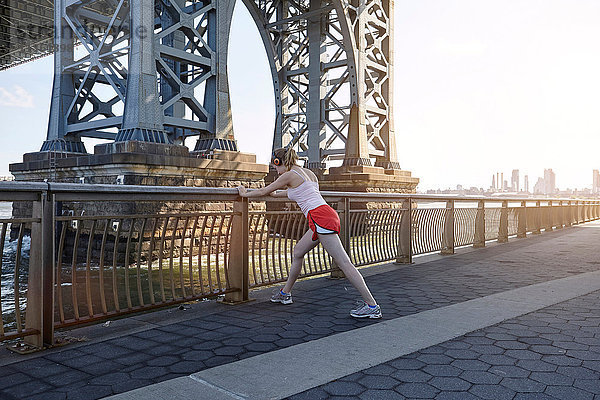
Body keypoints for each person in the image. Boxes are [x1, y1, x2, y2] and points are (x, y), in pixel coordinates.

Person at [237, 147, 381, 318]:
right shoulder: (308, 173)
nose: (275, 170)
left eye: (275, 166)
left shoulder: (288, 175)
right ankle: (285, 294)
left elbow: (263, 192)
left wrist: (244, 193)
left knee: (344, 262)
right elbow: (287, 193)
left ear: (279, 162)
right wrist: (272, 193)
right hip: (323, 215)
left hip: (320, 218)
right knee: (298, 252)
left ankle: (372, 306)